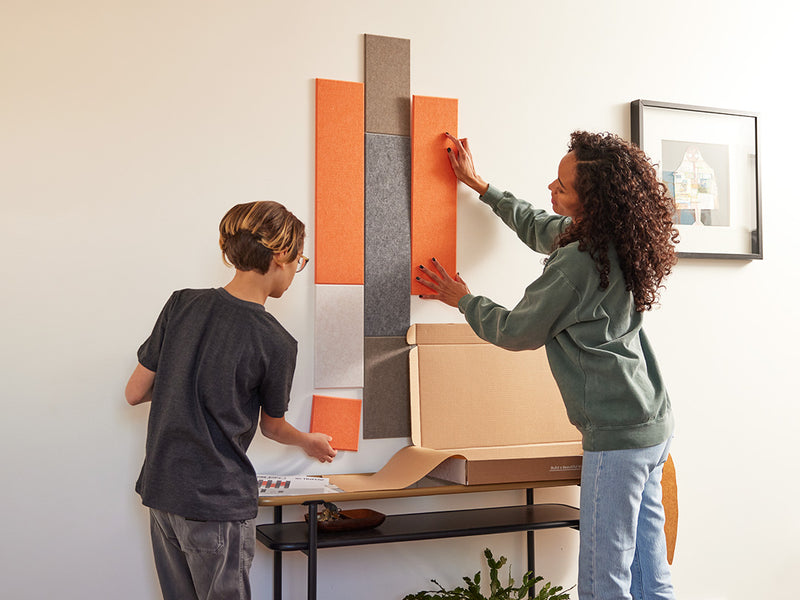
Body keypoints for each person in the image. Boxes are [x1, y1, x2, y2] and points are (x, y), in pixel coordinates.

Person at [417, 131, 678, 600]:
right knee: (648, 573)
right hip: (651, 424)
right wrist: (482, 187)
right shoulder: (615, 238)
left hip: (617, 437)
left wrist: (463, 299)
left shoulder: (578, 262)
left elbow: (517, 331)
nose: (551, 188)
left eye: (563, 186)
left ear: (592, 200)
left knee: (603, 581)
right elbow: (541, 226)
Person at [125, 201, 337, 600]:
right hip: (216, 503)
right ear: (280, 255)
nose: (297, 270)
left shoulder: (181, 304)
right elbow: (272, 426)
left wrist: (182, 382)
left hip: (163, 492)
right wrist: (308, 440)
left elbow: (134, 392)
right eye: (299, 260)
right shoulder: (276, 341)